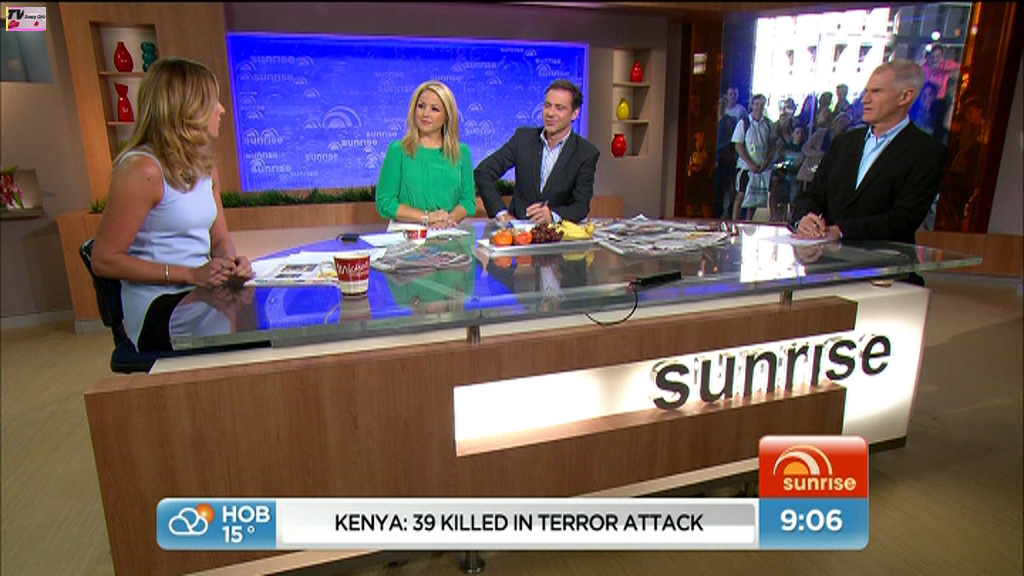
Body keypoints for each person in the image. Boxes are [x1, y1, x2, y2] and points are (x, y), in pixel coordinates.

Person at [91, 57, 254, 353]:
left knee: (256, 320)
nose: (221, 109)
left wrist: (231, 264)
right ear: (186, 109)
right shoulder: (143, 170)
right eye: (212, 102)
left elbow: (220, 240)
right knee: (242, 341)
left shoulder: (205, 168)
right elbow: (103, 260)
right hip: (160, 304)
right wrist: (190, 274)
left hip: (201, 293)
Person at [790, 59, 947, 250]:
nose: (865, 99)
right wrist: (804, 219)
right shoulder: (844, 143)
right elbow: (812, 195)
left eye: (876, 91)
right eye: (866, 91)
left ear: (905, 96)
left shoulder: (927, 152)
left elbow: (904, 218)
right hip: (825, 260)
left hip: (884, 263)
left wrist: (841, 231)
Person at [475, 79, 599, 224]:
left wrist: (552, 215)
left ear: (575, 113)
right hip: (518, 232)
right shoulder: (523, 139)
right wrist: (502, 213)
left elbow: (581, 206)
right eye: (547, 106)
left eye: (559, 108)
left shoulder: (585, 153)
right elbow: (483, 172)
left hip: (556, 234)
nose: (550, 113)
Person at [376, 80, 476, 229]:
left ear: (447, 115)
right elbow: (385, 203)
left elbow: (468, 202)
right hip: (407, 234)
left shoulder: (462, 152)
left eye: (435, 109)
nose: (425, 114)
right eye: (421, 106)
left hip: (448, 231)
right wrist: (427, 218)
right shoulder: (398, 150)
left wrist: (447, 220)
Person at [731, 93, 775, 220]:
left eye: (761, 105)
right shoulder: (744, 123)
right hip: (746, 167)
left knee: (755, 197)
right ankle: (735, 222)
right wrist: (750, 163)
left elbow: (773, 146)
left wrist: (766, 163)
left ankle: (749, 221)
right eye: (756, 104)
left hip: (762, 168)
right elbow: (738, 145)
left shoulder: (769, 125)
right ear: (752, 105)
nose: (759, 107)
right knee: (741, 194)